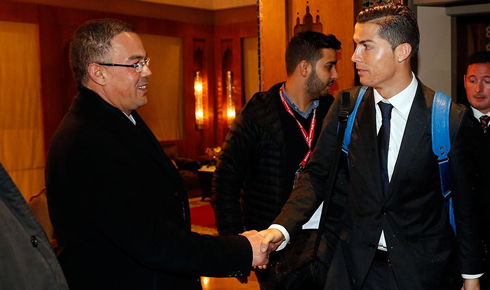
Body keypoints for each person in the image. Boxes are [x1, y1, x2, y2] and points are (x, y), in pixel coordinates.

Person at [259, 3, 483, 290]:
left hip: (422, 275)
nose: (354, 57)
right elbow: (316, 177)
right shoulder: (345, 108)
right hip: (351, 271)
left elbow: (466, 207)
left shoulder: (448, 119)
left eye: (366, 46)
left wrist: (471, 277)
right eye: (355, 45)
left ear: (402, 52)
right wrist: (280, 228)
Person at [45, 18, 268, 290]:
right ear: (98, 73)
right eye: (135, 63)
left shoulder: (120, 119)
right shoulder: (84, 142)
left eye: (146, 61)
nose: (148, 71)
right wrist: (241, 250)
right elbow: (150, 241)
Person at [212, 31, 341, 289]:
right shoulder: (258, 115)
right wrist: (239, 247)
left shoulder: (334, 112)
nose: (335, 75)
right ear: (305, 68)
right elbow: (224, 183)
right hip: (274, 251)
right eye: (329, 66)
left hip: (324, 245)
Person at [464, 51, 490, 289]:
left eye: (487, 81)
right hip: (465, 240)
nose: (478, 88)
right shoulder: (453, 122)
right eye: (473, 80)